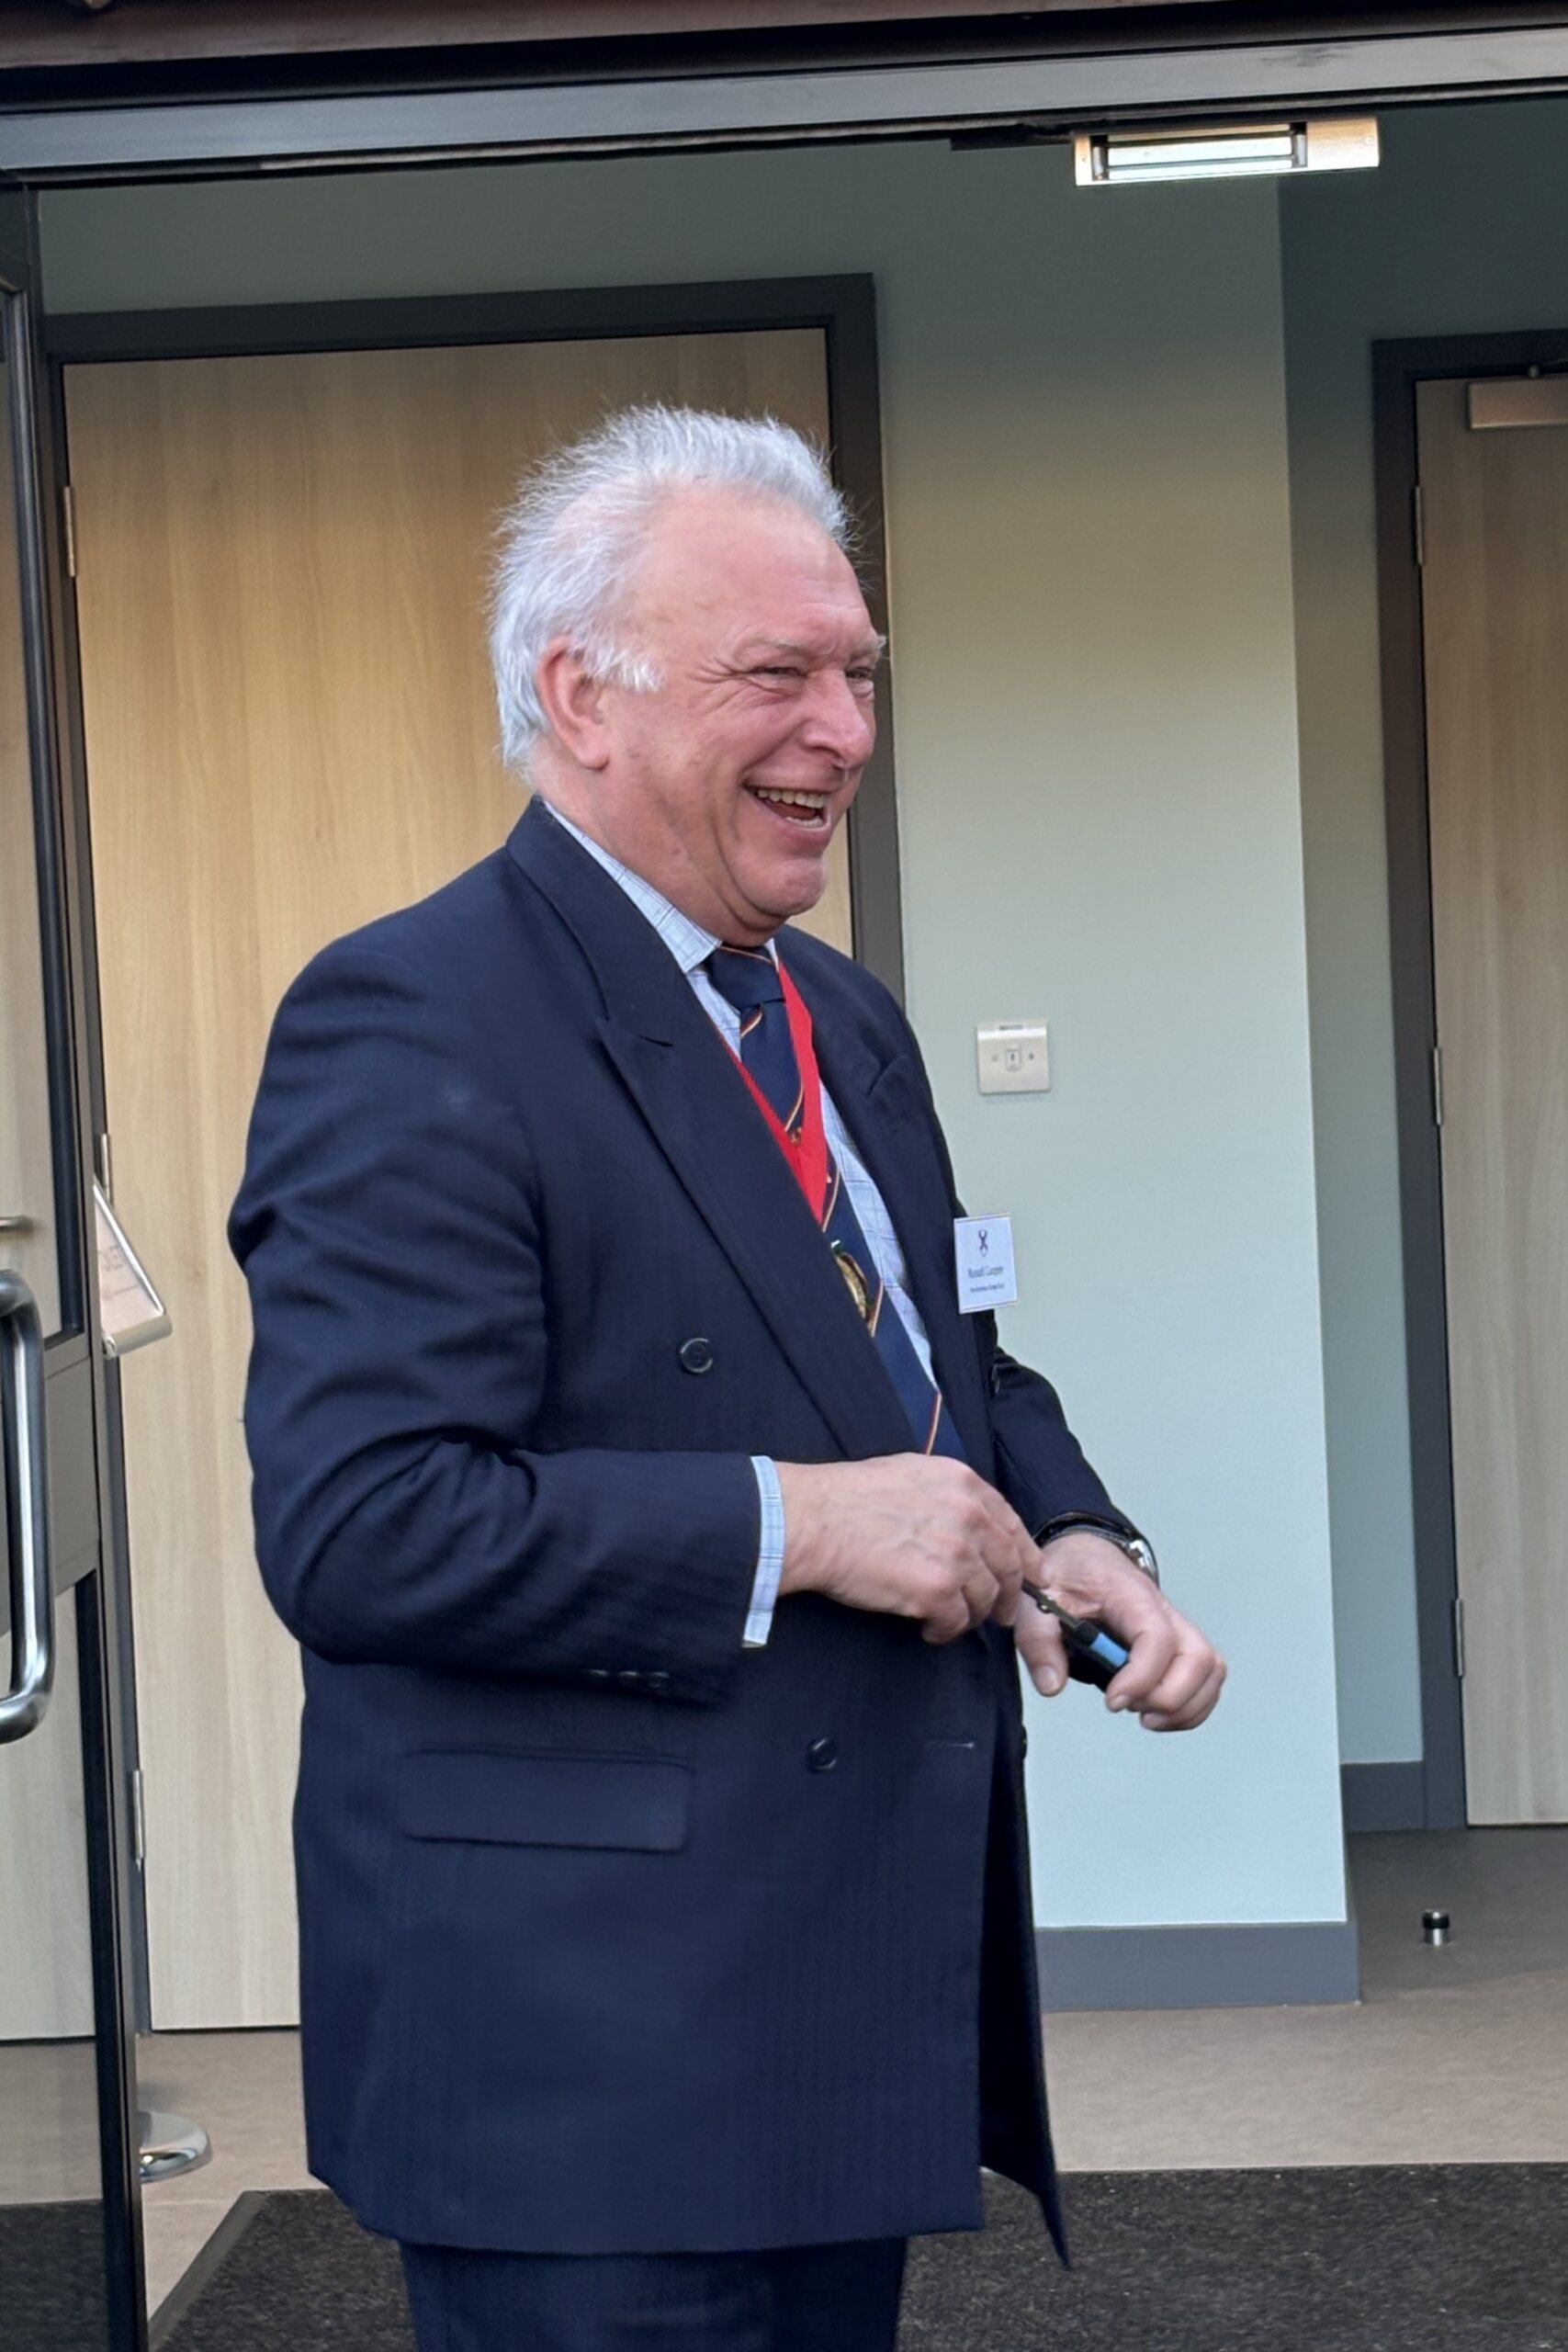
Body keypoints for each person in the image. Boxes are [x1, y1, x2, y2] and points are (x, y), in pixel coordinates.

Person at [230, 406, 1225, 2352]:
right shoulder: (411, 1012)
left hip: (832, 2009)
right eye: (776, 673)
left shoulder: (839, 1011)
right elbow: (362, 1524)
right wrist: (806, 1524)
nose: (843, 730)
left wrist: (1069, 1526)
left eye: (858, 672)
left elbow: (940, 1350)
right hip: (584, 2070)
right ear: (577, 696)